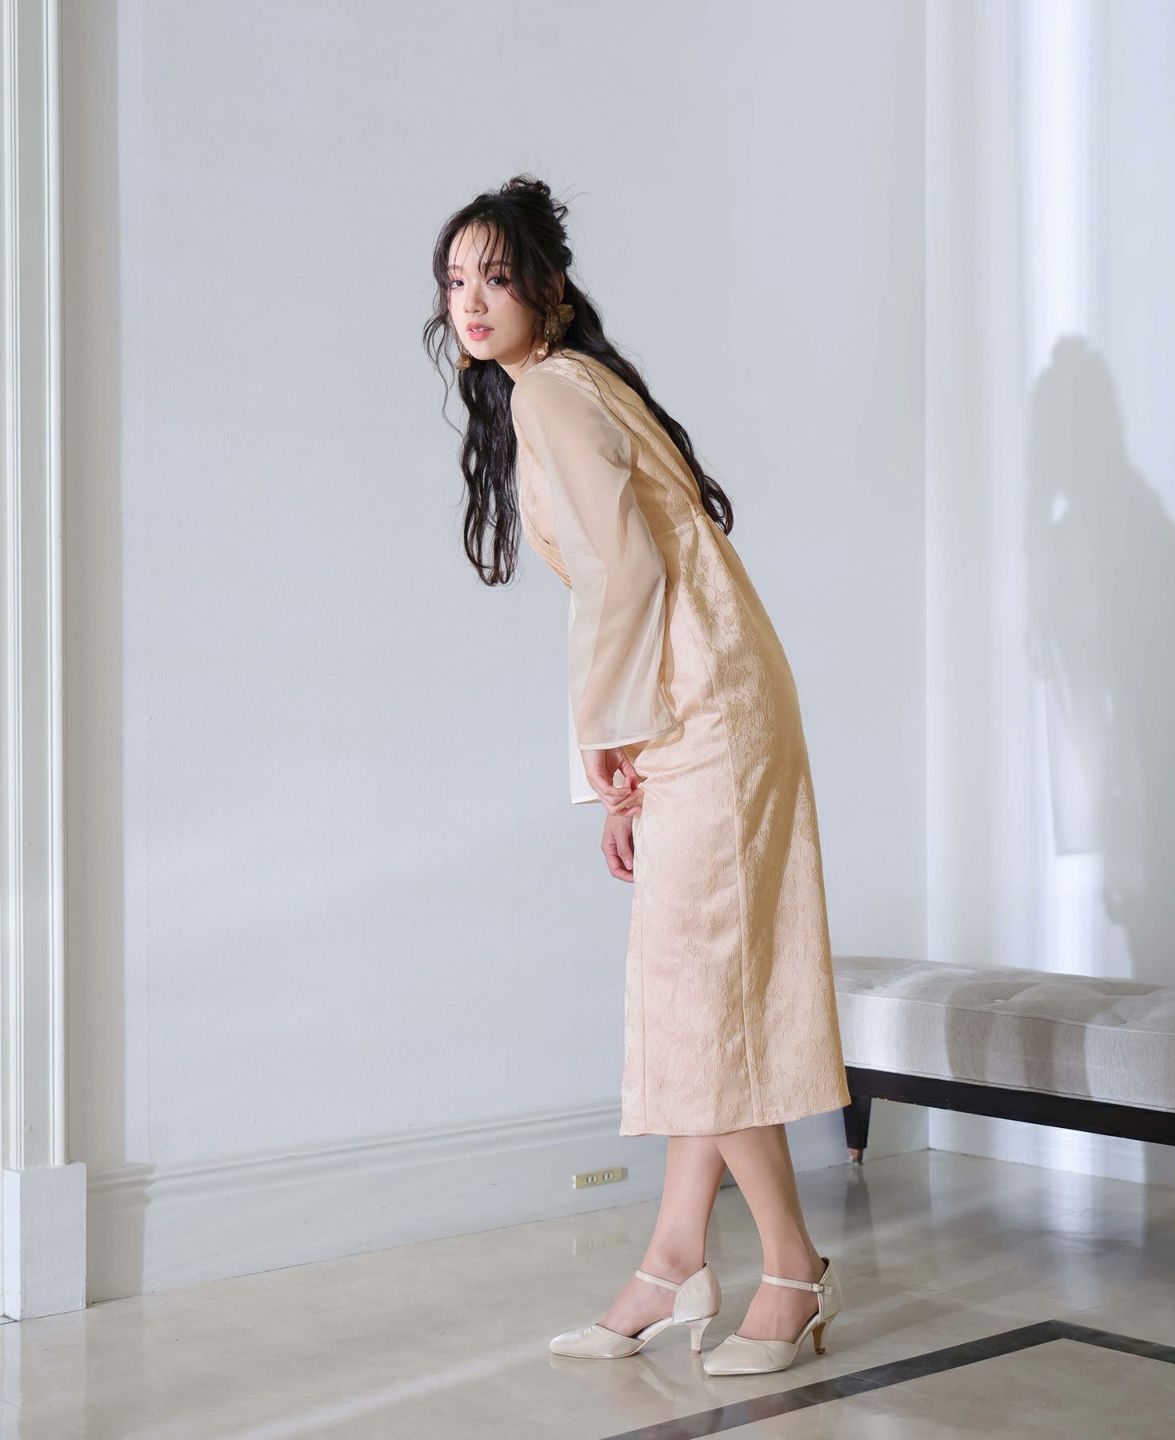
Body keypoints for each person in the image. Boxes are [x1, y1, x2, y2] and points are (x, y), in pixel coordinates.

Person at [424, 175, 851, 1378]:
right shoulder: (571, 382)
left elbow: (623, 572)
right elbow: (643, 568)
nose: (472, 301)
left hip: (701, 705)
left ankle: (793, 1268)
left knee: (694, 992)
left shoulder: (552, 389)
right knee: (692, 987)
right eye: (455, 281)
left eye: (496, 276)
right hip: (709, 693)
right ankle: (672, 1263)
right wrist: (619, 750)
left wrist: (608, 745)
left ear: (547, 288)